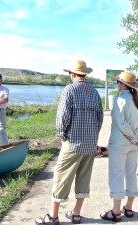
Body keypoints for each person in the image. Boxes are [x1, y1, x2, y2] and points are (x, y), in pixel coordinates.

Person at [35, 59, 103, 225]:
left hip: (73, 143)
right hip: (89, 144)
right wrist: (93, 137)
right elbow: (100, 118)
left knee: (61, 177)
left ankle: (53, 216)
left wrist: (61, 135)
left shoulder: (70, 90)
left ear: (72, 74)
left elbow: (62, 117)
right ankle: (77, 214)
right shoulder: (95, 92)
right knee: (84, 178)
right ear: (84, 74)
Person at [100, 72, 138, 222]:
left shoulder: (120, 100)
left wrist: (133, 138)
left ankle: (115, 212)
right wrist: (135, 137)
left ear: (122, 84)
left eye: (117, 83)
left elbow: (121, 124)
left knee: (116, 175)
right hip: (133, 145)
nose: (117, 86)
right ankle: (128, 207)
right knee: (131, 174)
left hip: (119, 145)